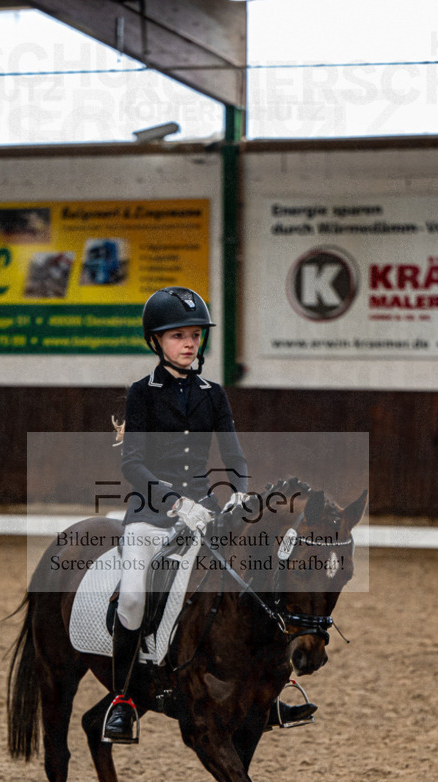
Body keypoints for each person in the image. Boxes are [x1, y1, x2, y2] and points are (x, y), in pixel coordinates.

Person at [103, 286, 315, 743]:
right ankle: (122, 700)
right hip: (151, 515)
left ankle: (267, 689)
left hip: (206, 512)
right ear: (156, 341)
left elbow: (235, 458)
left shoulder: (213, 394)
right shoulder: (142, 394)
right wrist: (176, 503)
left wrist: (238, 495)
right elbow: (132, 465)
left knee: (253, 579)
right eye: (178, 335)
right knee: (135, 597)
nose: (189, 344)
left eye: (195, 335)